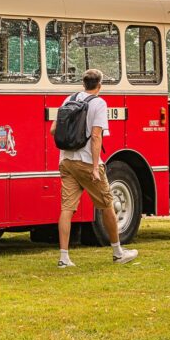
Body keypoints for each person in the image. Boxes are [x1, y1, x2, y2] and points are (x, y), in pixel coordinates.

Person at [51, 68, 139, 268]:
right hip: (87, 162)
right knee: (107, 204)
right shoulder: (99, 103)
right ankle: (118, 253)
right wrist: (94, 166)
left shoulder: (69, 99)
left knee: (67, 208)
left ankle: (64, 258)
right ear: (100, 85)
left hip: (65, 161)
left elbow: (53, 130)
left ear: (83, 84)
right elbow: (97, 135)